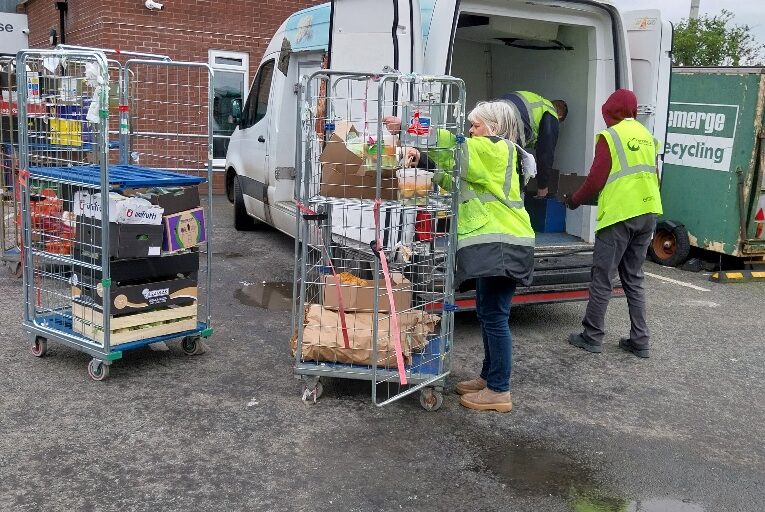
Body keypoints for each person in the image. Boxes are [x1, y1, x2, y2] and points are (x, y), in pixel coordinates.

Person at [384, 101, 535, 412]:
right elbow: (451, 174)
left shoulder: (495, 149)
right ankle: (489, 378)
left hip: (502, 244)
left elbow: (451, 143)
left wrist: (411, 128)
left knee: (494, 316)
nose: (469, 131)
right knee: (488, 311)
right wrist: (421, 158)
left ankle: (499, 390)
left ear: (493, 128)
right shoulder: (485, 155)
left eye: (475, 126)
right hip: (498, 244)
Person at [563, 89, 663, 358]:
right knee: (634, 277)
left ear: (611, 111)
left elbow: (596, 180)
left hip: (620, 215)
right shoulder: (647, 137)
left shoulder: (611, 136)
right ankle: (640, 340)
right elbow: (653, 175)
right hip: (648, 211)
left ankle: (592, 335)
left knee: (603, 276)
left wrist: (573, 200)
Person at [502, 91, 567, 198]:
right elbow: (545, 152)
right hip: (509, 124)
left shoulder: (537, 102)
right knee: (510, 183)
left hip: (490, 113)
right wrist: (543, 186)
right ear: (559, 116)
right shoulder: (551, 113)